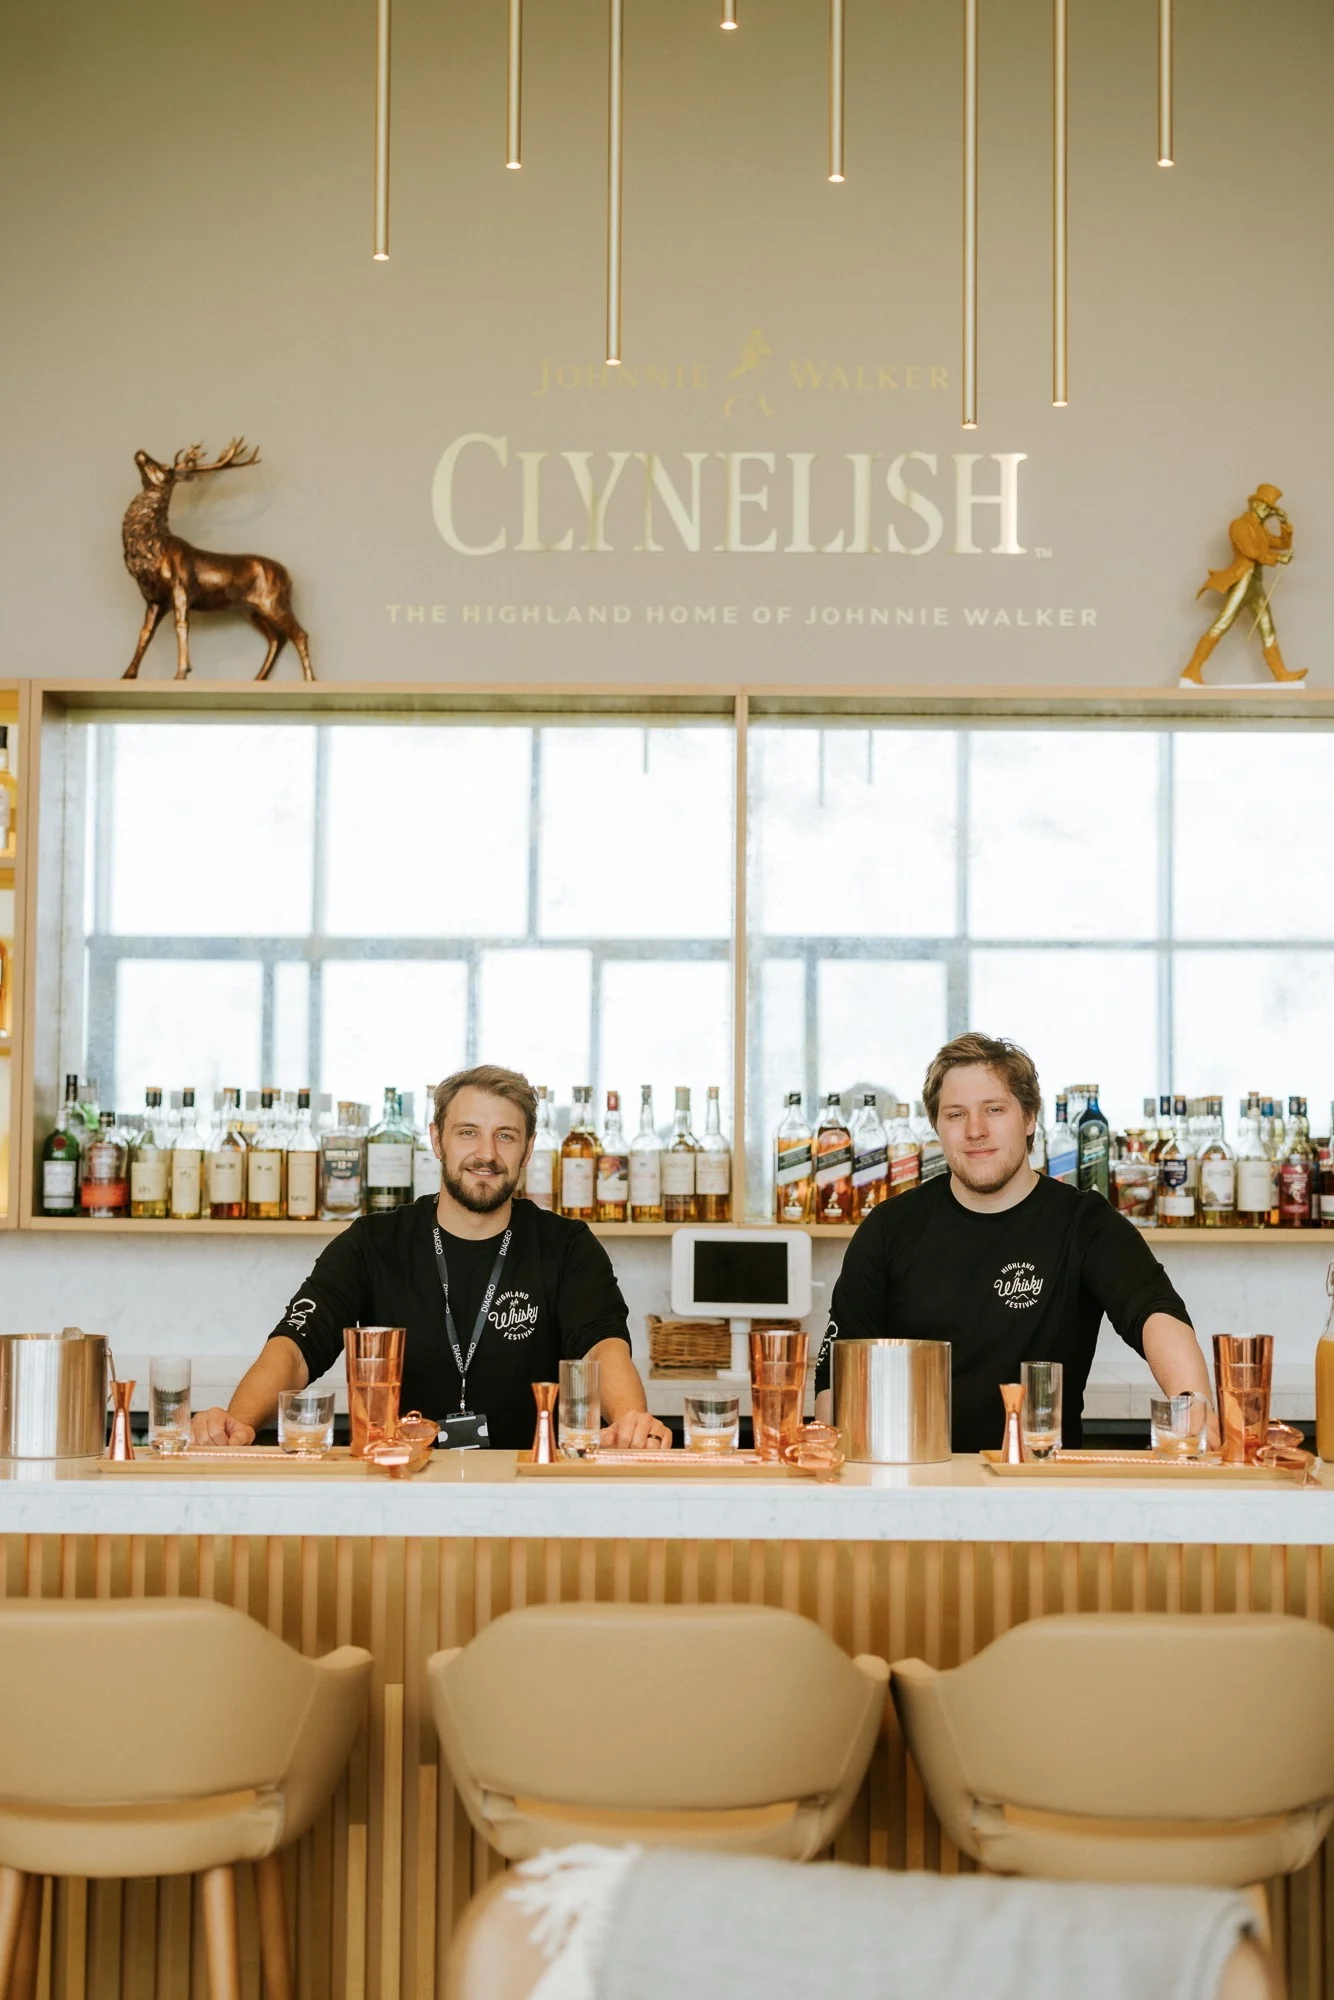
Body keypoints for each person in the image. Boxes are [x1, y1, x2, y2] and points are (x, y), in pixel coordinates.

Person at [191, 1064, 672, 1451]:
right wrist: (236, 1423)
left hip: (531, 1487)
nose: (486, 1153)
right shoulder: (374, 1240)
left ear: (527, 1152)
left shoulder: (567, 1245)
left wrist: (631, 1422)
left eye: (506, 1135)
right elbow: (296, 1348)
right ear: (437, 1139)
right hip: (399, 1484)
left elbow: (601, 1347)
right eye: (468, 1132)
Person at [814, 1033, 1216, 1453]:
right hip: (912, 1481)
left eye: (994, 1109)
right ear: (937, 1127)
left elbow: (1154, 1312)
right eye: (955, 1114)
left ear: (1029, 1119)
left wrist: (1194, 1408)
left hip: (1041, 1485)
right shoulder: (888, 1228)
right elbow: (835, 1379)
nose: (975, 1130)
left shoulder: (1084, 1222)